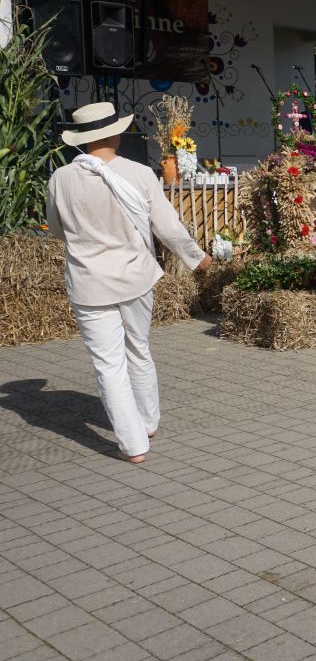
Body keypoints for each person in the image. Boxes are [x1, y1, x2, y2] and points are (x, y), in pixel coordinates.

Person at [46, 103, 212, 464]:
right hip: (136, 277)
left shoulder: (61, 178)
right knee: (138, 348)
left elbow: (57, 229)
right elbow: (166, 225)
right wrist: (196, 256)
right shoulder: (139, 173)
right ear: (115, 134)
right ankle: (148, 422)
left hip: (90, 281)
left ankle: (133, 445)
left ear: (82, 139)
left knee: (109, 365)